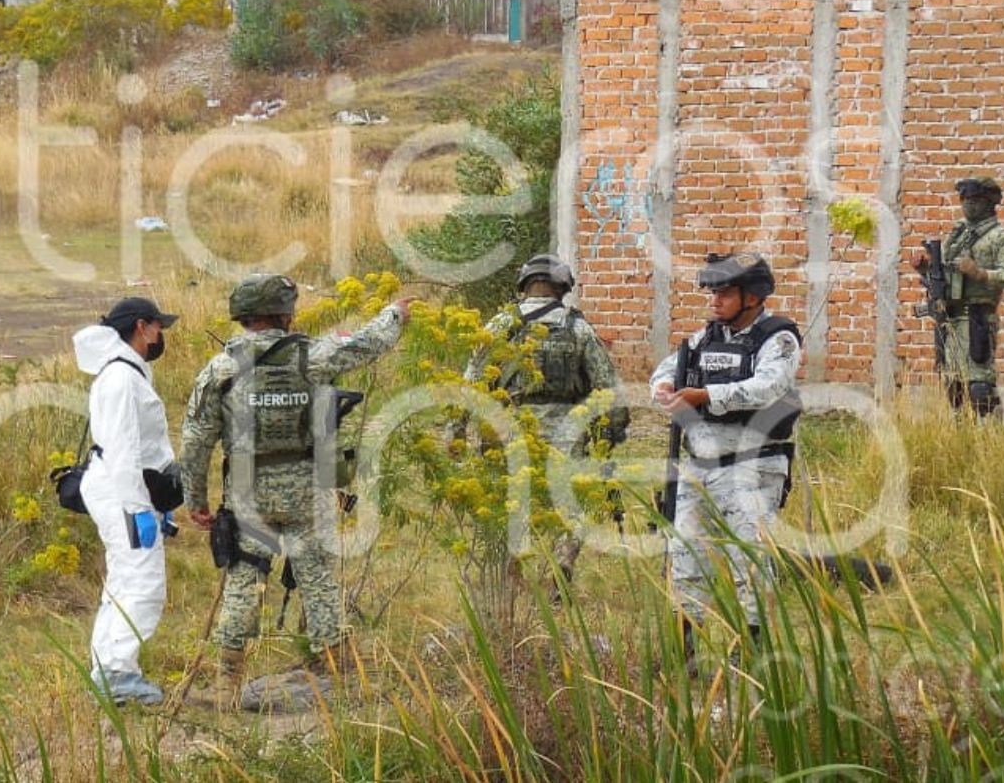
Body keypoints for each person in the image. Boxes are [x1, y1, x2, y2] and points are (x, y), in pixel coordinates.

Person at [179, 273, 413, 710]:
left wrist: (196, 501)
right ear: (287, 314)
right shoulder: (314, 357)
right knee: (319, 580)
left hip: (248, 495)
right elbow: (369, 344)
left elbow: (195, 442)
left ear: (242, 316)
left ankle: (228, 687)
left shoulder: (221, 368)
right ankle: (349, 681)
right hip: (308, 490)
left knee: (243, 580)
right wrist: (394, 314)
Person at [650, 253, 802, 660]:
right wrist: (665, 389)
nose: (714, 300)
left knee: (748, 558)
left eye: (724, 292)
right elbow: (664, 372)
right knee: (685, 556)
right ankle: (687, 651)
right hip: (700, 466)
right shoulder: (706, 337)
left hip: (753, 464)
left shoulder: (779, 339)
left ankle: (752, 650)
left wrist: (707, 396)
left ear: (751, 297)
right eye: (712, 292)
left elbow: (767, 388)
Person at [460, 254, 627, 575]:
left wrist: (457, 428)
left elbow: (472, 380)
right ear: (562, 287)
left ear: (524, 285)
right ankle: (560, 564)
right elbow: (607, 385)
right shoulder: (577, 327)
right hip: (566, 429)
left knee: (510, 499)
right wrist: (611, 433)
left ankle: (513, 568)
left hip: (507, 426)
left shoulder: (499, 325)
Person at [72, 295, 180, 706]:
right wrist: (139, 510)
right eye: (158, 326)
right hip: (122, 492)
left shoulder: (128, 373)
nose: (160, 335)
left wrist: (158, 504)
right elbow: (121, 449)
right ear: (141, 326)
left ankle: (108, 670)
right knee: (143, 584)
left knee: (123, 581)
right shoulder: (120, 378)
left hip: (130, 490)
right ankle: (118, 674)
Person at [909, 176, 1004, 417]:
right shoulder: (959, 233)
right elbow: (948, 269)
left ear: (990, 202)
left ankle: (989, 436)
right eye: (964, 200)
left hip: (977, 316)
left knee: (980, 385)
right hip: (948, 315)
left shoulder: (1000, 237)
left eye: (974, 200)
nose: (968, 205)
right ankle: (960, 433)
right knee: (952, 381)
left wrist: (980, 273)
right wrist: (927, 268)